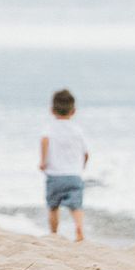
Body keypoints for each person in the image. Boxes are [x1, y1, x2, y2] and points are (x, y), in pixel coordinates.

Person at [39, 88, 89, 241]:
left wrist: (43, 161)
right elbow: (86, 153)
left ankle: (54, 233)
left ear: (52, 110)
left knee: (53, 206)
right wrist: (82, 165)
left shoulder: (50, 128)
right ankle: (79, 229)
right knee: (76, 206)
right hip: (74, 175)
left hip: (54, 175)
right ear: (73, 111)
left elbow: (45, 141)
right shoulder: (77, 130)